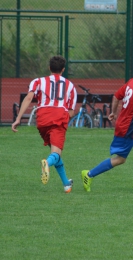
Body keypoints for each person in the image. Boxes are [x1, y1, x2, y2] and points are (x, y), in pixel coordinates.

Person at [81, 57, 133, 193]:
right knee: (120, 159)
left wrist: (113, 112)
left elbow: (116, 96)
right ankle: (89, 174)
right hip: (128, 128)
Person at [12, 56, 77, 193]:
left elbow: (29, 98)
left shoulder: (38, 81)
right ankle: (47, 163)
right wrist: (66, 116)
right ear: (63, 70)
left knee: (55, 153)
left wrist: (18, 118)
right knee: (55, 154)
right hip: (59, 117)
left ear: (49, 68)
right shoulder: (70, 86)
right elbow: (71, 112)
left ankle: (66, 184)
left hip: (42, 118)